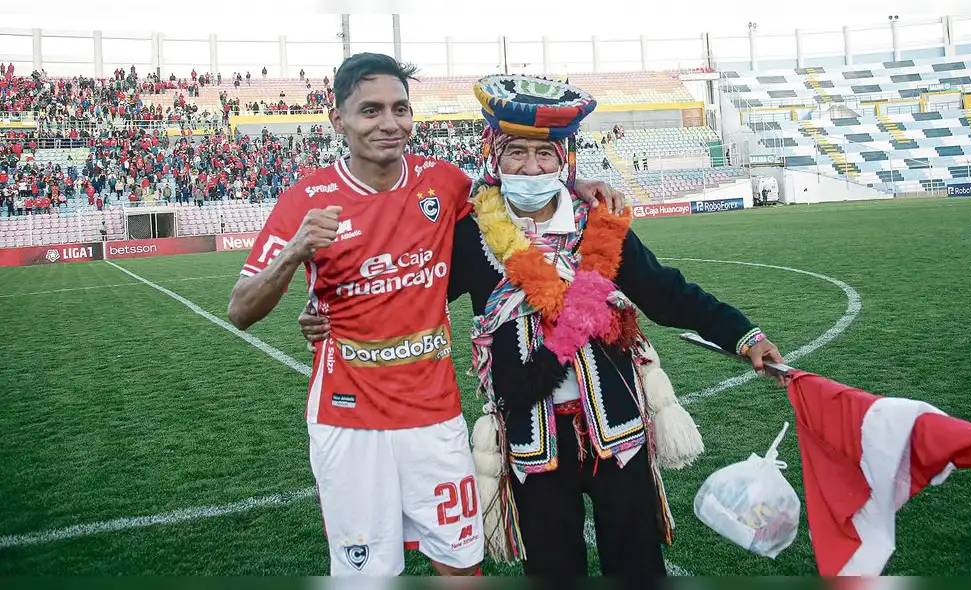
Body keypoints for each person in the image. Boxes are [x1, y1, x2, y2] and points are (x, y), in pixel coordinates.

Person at [298, 73, 787, 577]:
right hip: (533, 435)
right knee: (554, 572)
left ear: (564, 161)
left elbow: (667, 293)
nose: (530, 167)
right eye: (516, 153)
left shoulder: (598, 223)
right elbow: (410, 292)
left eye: (545, 155)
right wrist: (329, 310)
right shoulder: (471, 236)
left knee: (638, 565)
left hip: (618, 430)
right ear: (493, 155)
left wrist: (743, 334)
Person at [227, 54, 623, 578]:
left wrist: (581, 186)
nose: (389, 124)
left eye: (400, 109)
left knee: (461, 564)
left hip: (433, 414)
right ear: (337, 120)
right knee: (367, 574)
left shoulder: (445, 183)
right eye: (370, 110)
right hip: (347, 417)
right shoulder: (306, 199)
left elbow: (518, 184)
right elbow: (240, 310)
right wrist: (295, 252)